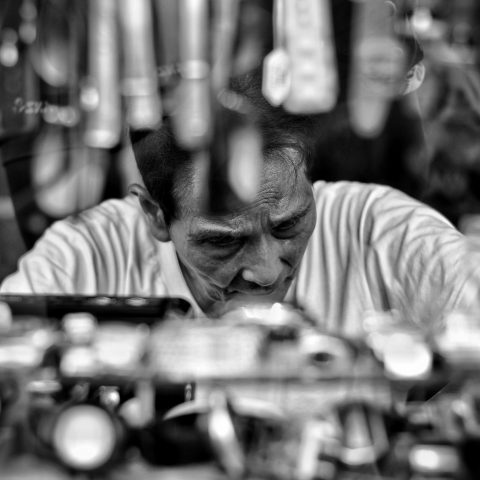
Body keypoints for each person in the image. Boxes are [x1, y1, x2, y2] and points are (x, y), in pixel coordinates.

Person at [1, 71, 480, 337]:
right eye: (223, 242)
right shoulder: (85, 256)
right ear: (153, 215)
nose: (267, 272)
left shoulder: (376, 229)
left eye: (289, 225)